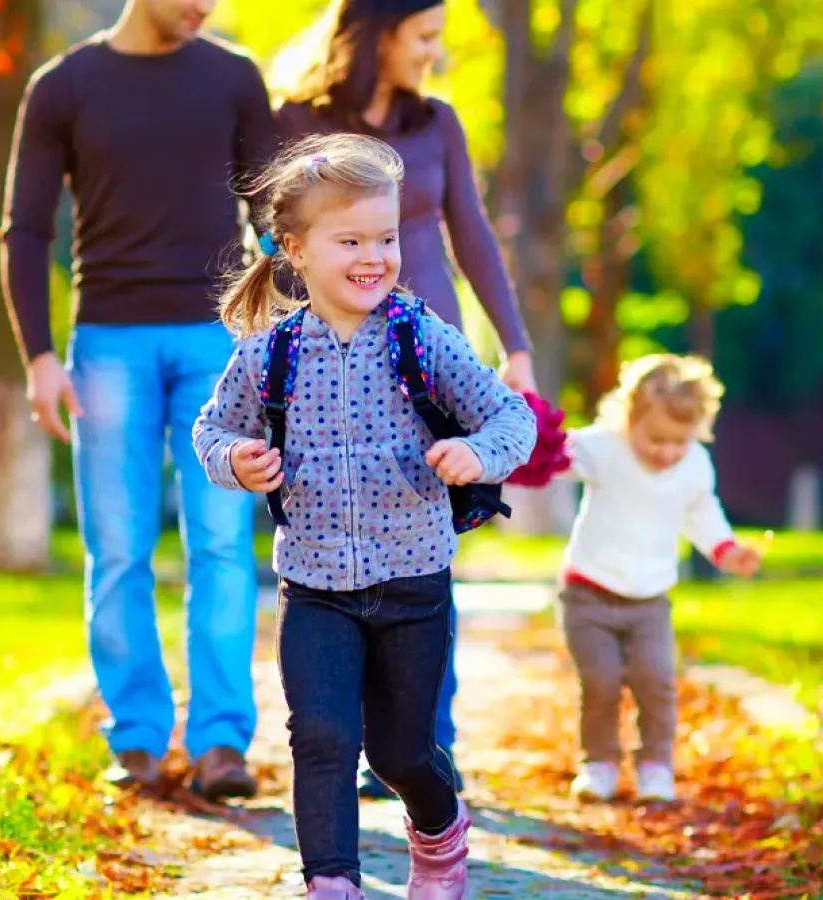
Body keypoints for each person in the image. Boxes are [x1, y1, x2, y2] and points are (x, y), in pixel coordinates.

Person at [193, 132, 536, 899]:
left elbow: (511, 417)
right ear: (295, 248)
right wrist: (236, 462)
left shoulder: (420, 338)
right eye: (350, 240)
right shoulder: (269, 354)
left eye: (385, 238)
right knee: (321, 738)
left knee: (401, 751)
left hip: (413, 582)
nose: (374, 257)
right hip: (314, 586)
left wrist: (478, 455)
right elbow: (213, 430)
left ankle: (441, 835)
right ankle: (332, 883)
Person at [0, 0, 276, 800]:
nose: (204, 6)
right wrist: (40, 358)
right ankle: (139, 737)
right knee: (117, 548)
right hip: (108, 343)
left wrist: (273, 331)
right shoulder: (65, 86)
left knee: (221, 544)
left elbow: (270, 218)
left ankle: (223, 741)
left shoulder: (232, 78)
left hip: (217, 344)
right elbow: (24, 232)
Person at [267, 0, 539, 799]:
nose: (434, 53)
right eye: (424, 37)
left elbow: (473, 234)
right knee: (341, 550)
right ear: (377, 32)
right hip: (333, 366)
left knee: (423, 551)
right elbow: (276, 240)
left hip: (429, 366)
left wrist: (514, 347)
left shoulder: (437, 122)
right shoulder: (299, 123)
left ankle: (424, 745)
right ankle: (353, 738)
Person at [547, 355, 763, 804]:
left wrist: (727, 550)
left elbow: (703, 512)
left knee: (656, 680)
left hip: (649, 601)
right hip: (588, 594)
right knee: (602, 681)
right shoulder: (604, 447)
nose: (666, 452)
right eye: (655, 439)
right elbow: (554, 457)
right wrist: (530, 440)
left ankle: (655, 768)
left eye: (678, 442)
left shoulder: (696, 465)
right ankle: (600, 763)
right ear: (630, 418)